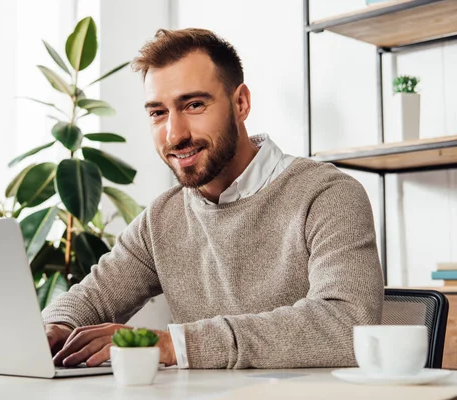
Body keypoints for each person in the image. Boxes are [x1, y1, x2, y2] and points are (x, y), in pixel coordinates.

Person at [42, 28, 384, 370]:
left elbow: (346, 325)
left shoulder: (327, 195)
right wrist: (53, 328)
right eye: (158, 113)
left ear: (241, 103)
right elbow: (92, 297)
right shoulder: (162, 217)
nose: (175, 134)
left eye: (193, 105)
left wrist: (177, 345)